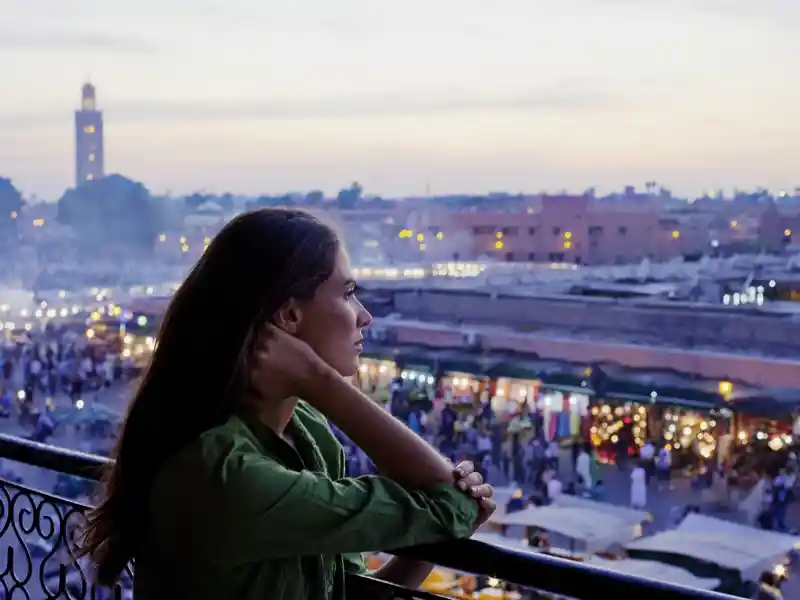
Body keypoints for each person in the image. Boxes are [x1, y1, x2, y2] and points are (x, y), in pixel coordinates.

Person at [78, 209, 496, 600]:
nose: (364, 316)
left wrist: (433, 537)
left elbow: (342, 591)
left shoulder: (307, 432)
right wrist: (320, 381)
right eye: (347, 293)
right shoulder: (224, 473)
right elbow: (451, 503)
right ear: (289, 316)